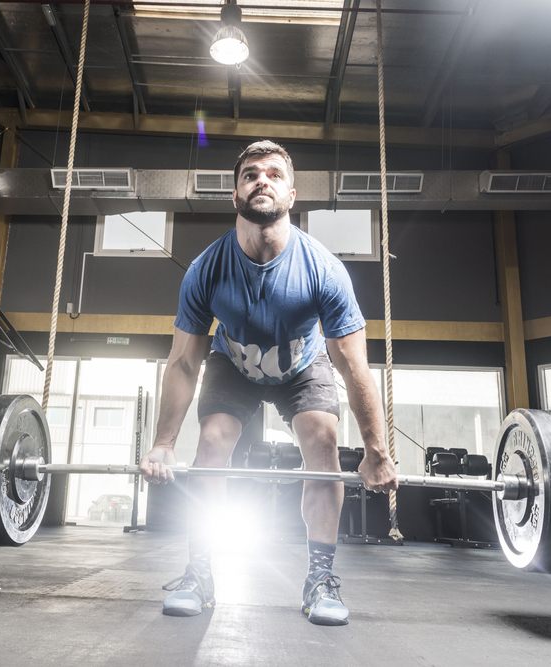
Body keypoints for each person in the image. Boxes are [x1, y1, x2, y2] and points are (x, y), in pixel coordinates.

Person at [139, 140, 398, 626]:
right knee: (212, 443)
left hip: (302, 366)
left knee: (322, 441)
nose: (262, 179)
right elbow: (182, 363)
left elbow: (355, 367)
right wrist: (162, 444)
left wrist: (377, 451)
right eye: (251, 174)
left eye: (274, 174)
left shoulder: (324, 270)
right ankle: (198, 573)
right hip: (232, 363)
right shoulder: (206, 271)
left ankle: (320, 578)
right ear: (235, 194)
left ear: (292, 193)